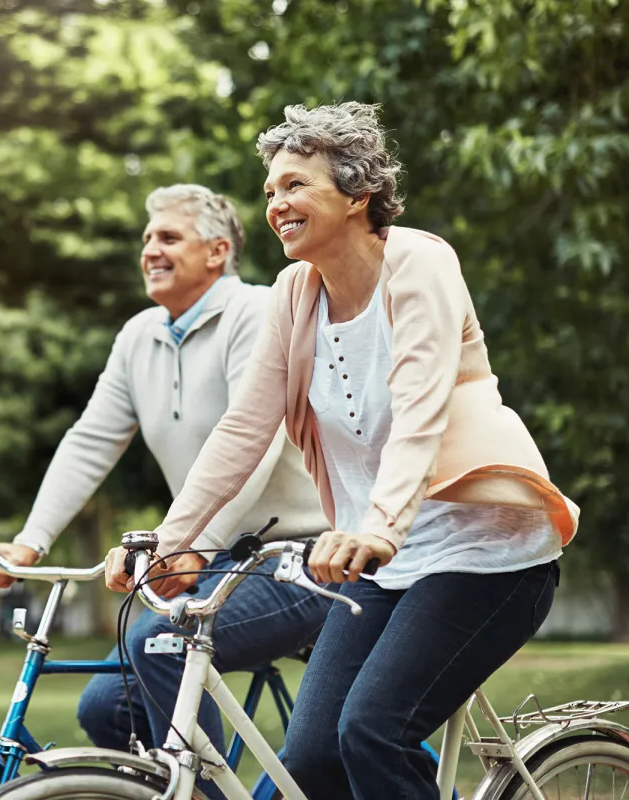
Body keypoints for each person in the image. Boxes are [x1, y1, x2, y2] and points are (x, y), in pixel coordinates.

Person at [105, 104, 580, 799]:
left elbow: (421, 405)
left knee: (372, 730)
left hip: (486, 553)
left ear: (358, 195)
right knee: (314, 757)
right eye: (270, 191)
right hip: (380, 568)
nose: (277, 204)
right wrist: (171, 542)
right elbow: (244, 430)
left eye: (295, 185)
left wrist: (378, 528)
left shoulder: (420, 262)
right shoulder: (295, 295)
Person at [0, 184, 330, 799]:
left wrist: (191, 544)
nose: (150, 251)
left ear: (218, 251)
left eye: (168, 237)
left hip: (303, 557)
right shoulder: (140, 335)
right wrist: (31, 541)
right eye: (146, 240)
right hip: (214, 559)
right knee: (106, 705)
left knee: (159, 645)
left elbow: (256, 439)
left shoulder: (258, 313)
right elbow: (90, 442)